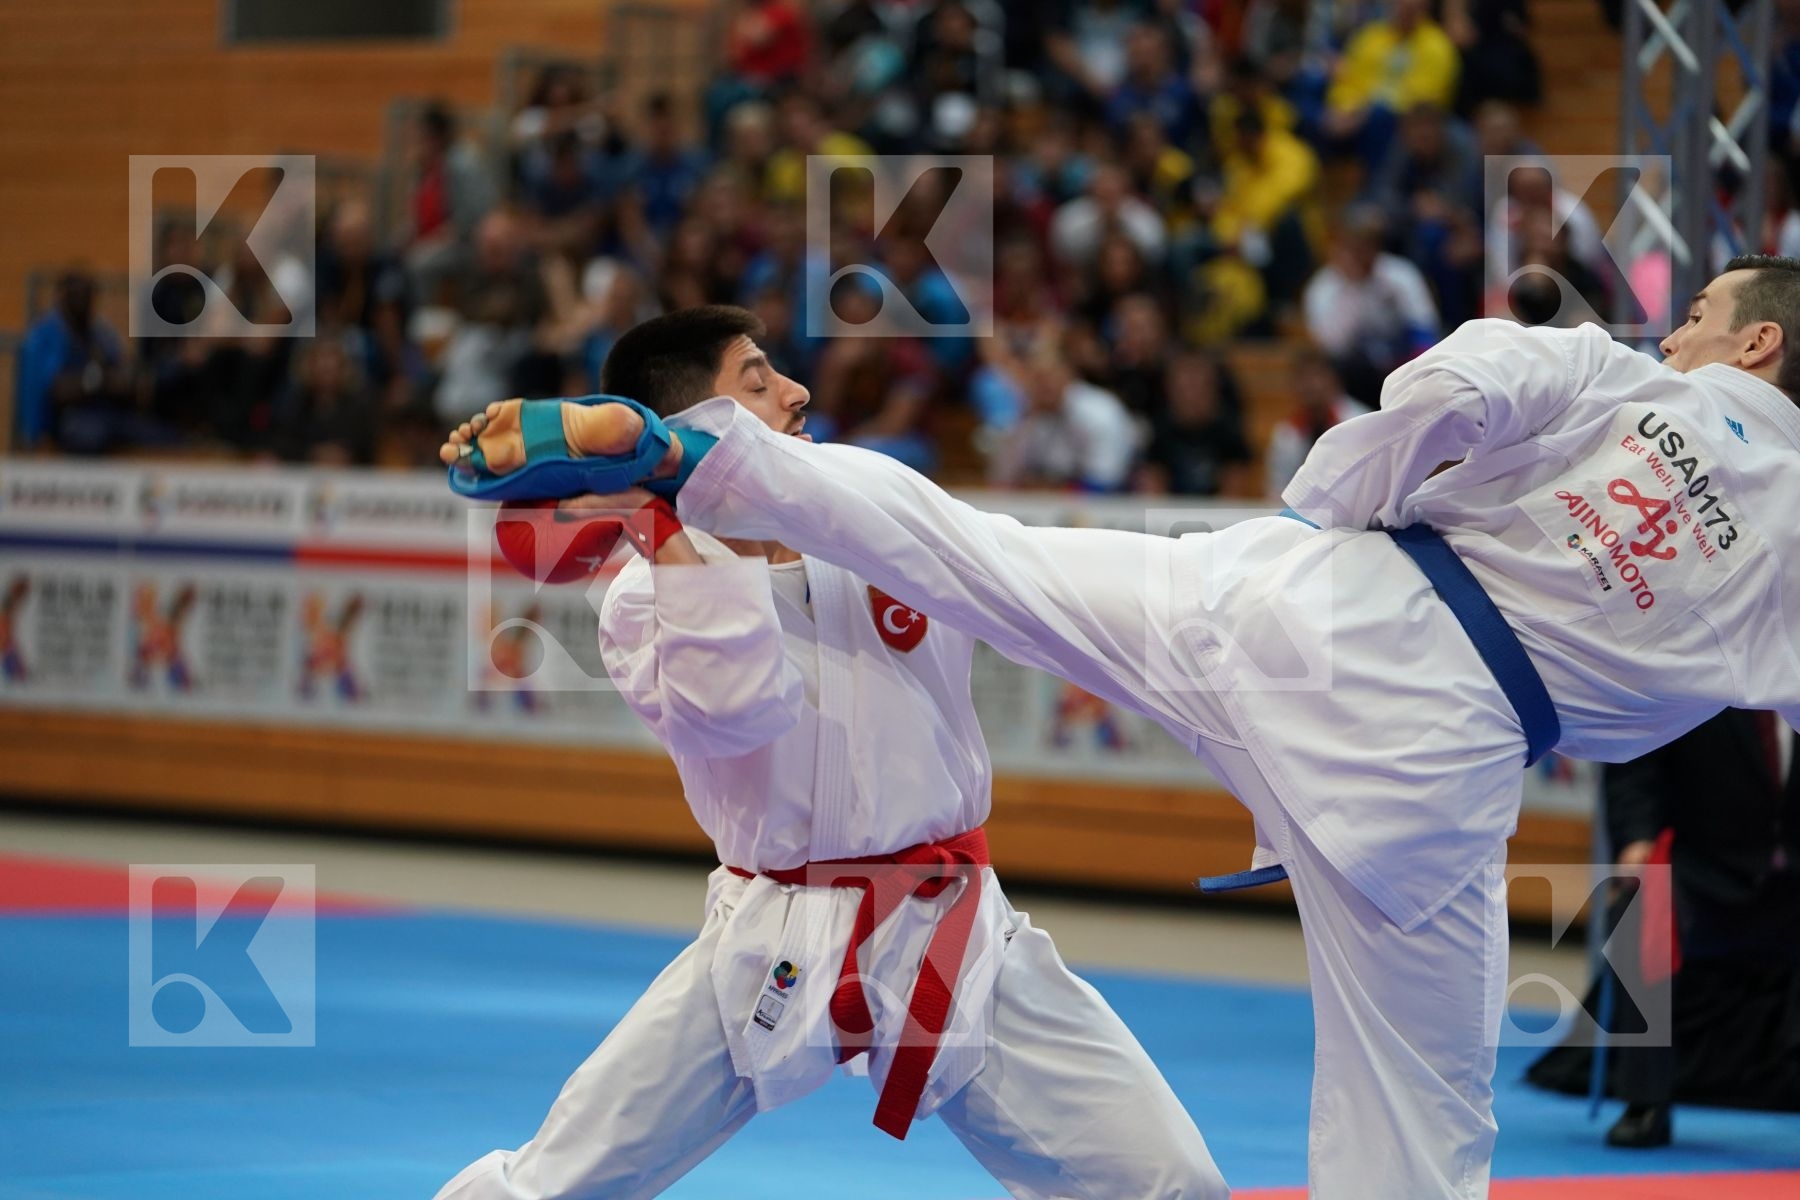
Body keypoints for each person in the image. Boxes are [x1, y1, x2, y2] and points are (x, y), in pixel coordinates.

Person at [442, 257, 1800, 1197]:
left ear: (1758, 343)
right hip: (1446, 775)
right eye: (756, 379)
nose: (1670, 332)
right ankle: (692, 468)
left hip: (1311, 618)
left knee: (992, 557)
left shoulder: (1621, 378)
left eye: (1695, 319)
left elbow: (1461, 380)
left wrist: (1346, 499)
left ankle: (688, 457)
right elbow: (741, 698)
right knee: (1424, 1117)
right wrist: (688, 549)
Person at [432, 307, 1227, 1200]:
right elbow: (737, 712)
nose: (797, 390)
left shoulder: (870, 505)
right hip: (772, 933)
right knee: (556, 1184)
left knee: (1171, 1181)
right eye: (759, 380)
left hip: (949, 928)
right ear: (697, 430)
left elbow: (1027, 588)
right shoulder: (641, 596)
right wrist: (665, 525)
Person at [1525, 707, 1800, 1144]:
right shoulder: (1699, 669)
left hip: (1791, 885)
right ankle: (1645, 1105)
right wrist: (1637, 841)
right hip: (1703, 873)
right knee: (1640, 904)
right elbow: (1636, 765)